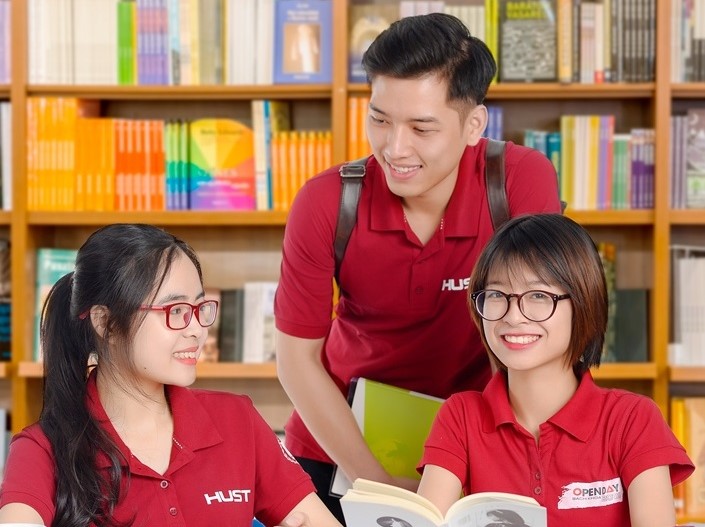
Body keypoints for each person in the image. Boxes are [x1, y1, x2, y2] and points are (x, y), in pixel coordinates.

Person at [274, 11, 562, 522]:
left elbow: (540, 332)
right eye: (379, 119)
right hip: (342, 448)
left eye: (421, 127)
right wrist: (376, 483)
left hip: (480, 444)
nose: (394, 148)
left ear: (474, 124)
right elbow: (297, 360)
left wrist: (470, 459)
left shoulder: (519, 181)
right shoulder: (325, 202)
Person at [0, 224, 341, 527]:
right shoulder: (42, 449)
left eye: (199, 307)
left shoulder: (238, 420)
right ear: (106, 323)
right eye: (175, 311)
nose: (197, 330)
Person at [416, 214, 694, 527]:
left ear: (583, 302)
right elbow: (426, 520)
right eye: (496, 295)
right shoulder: (461, 416)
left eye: (538, 295)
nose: (513, 316)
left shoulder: (632, 418)